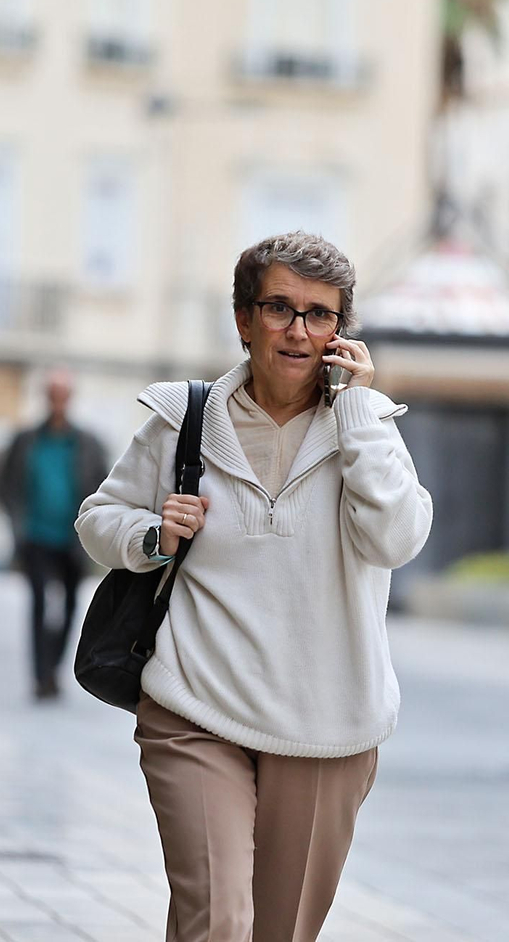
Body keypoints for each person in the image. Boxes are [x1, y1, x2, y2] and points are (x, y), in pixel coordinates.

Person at [76, 232, 433, 941]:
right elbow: (97, 519)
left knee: (277, 931)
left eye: (320, 314)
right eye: (279, 307)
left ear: (339, 332)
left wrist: (358, 413)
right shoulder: (185, 419)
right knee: (220, 920)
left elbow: (397, 539)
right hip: (195, 705)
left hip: (327, 724)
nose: (298, 330)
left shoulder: (368, 428)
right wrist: (153, 534)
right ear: (244, 319)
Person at [0, 372, 110, 700]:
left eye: (63, 395)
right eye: (53, 394)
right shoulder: (27, 439)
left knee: (72, 605)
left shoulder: (87, 443)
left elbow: (106, 486)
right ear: (46, 397)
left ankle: (55, 668)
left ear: (70, 398)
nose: (58, 401)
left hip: (75, 538)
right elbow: (2, 482)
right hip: (36, 536)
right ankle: (41, 676)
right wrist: (17, 521)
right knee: (40, 603)